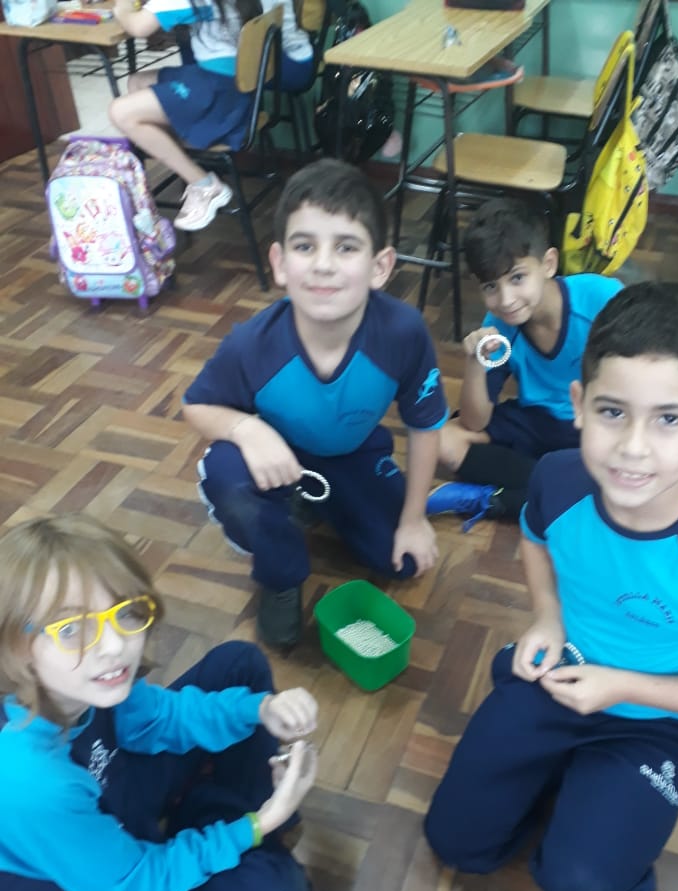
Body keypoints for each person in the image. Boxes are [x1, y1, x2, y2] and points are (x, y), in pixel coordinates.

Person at [424, 282, 678, 891]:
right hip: (560, 676)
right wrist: (547, 617)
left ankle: (594, 805)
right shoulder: (558, 477)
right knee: (456, 842)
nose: (634, 447)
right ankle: (566, 785)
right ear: (579, 404)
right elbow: (535, 538)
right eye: (613, 411)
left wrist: (624, 686)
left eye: (670, 418)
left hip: (656, 723)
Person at [0, 513, 353, 891]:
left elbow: (160, 717)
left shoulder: (84, 683)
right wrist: (261, 822)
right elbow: (133, 884)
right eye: (70, 629)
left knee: (239, 666)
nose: (115, 646)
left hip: (110, 799)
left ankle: (226, 838)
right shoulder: (30, 780)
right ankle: (242, 842)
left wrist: (260, 710)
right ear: (15, 649)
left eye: (124, 613)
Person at [183, 158, 447, 648]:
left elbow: (425, 424)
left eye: (346, 247)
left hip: (355, 454)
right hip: (280, 455)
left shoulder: (403, 333)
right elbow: (196, 405)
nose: (324, 264)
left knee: (403, 561)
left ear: (380, 267)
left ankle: (314, 501)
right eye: (305, 246)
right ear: (281, 263)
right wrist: (248, 430)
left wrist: (414, 520)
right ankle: (281, 574)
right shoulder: (252, 343)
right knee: (228, 473)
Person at [426, 198, 622, 531]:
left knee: (629, 482)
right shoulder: (498, 325)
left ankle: (494, 500)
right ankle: (566, 492)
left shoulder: (601, 298)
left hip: (592, 426)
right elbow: (474, 423)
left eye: (517, 278)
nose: (506, 300)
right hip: (535, 422)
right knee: (442, 440)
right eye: (491, 286)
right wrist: (475, 364)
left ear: (548, 264)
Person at [109, 0, 304, 232]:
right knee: (138, 82)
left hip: (218, 98)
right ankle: (183, 159)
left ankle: (204, 184)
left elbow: (138, 26)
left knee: (121, 112)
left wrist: (121, 7)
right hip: (234, 89)